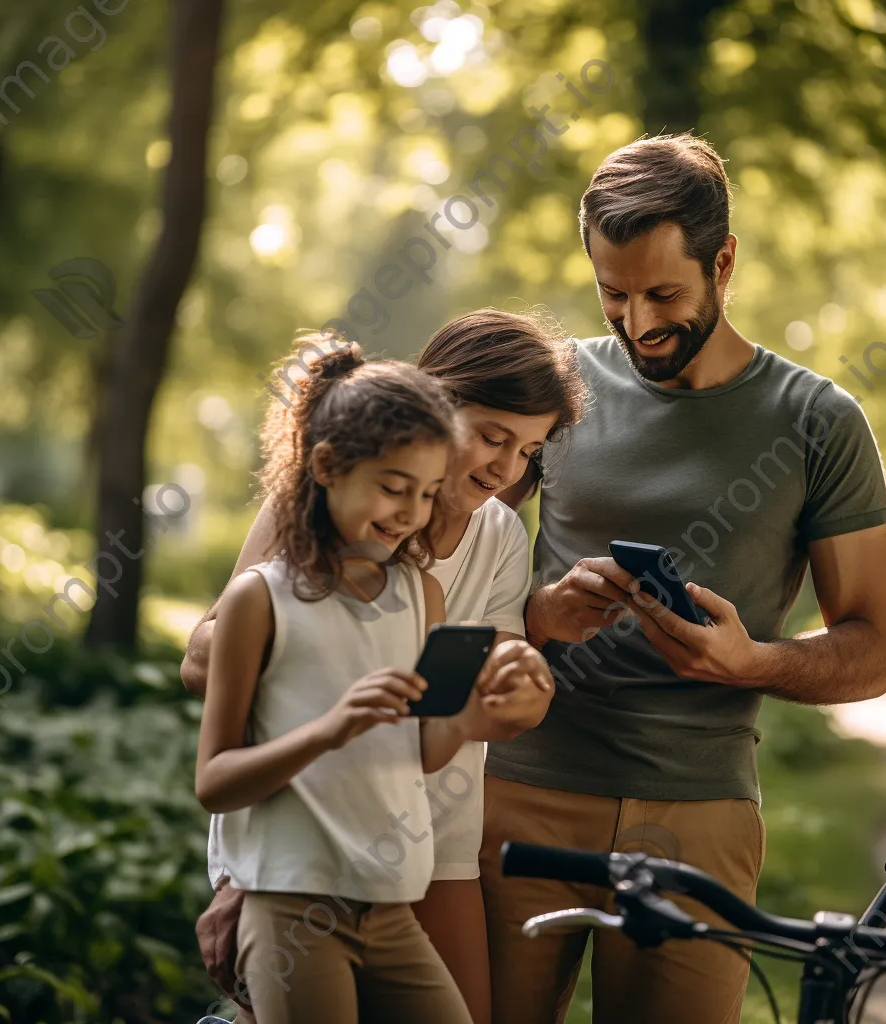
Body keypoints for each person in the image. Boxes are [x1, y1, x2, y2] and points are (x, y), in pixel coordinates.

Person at [479, 133, 886, 1024]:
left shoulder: (820, 421)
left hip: (700, 811)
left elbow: (872, 648)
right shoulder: (555, 387)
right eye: (613, 294)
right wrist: (540, 615)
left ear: (724, 262)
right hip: (519, 792)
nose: (637, 323)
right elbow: (448, 556)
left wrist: (756, 665)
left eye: (665, 293)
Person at [183, 310, 587, 1023]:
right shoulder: (316, 513)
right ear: (435, 402)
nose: (505, 467)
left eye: (528, 450)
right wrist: (243, 874)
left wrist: (520, 681)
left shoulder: (488, 540)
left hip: (429, 828)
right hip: (304, 835)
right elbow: (209, 662)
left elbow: (464, 688)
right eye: (492, 437)